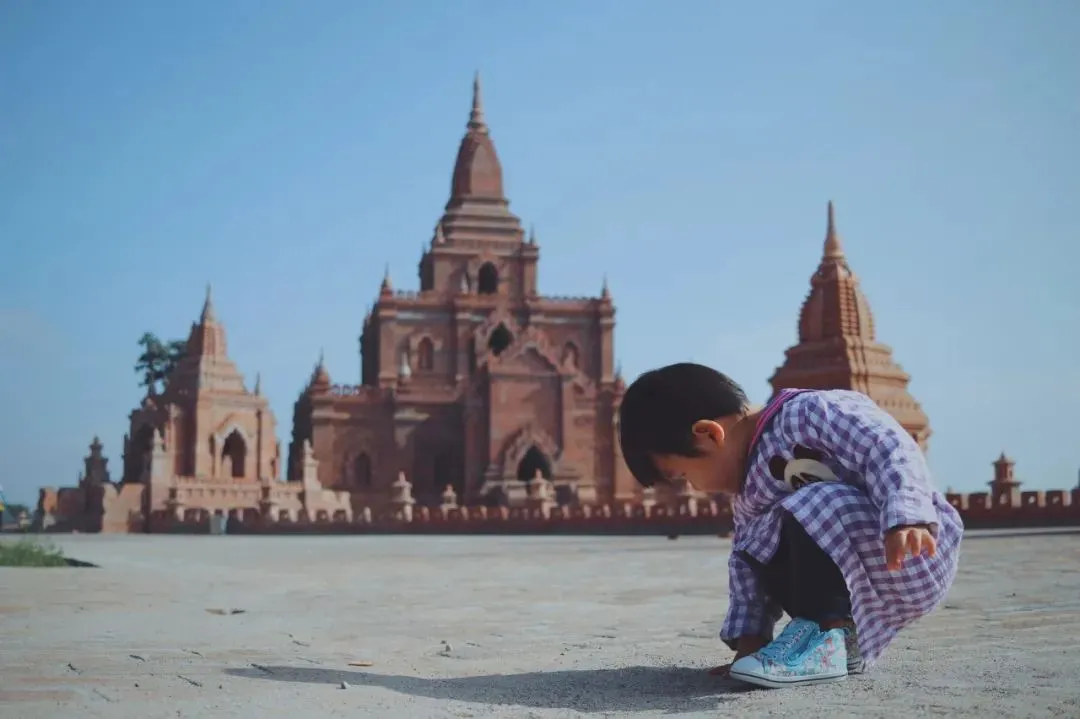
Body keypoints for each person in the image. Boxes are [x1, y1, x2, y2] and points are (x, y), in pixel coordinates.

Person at [617, 363, 963, 689]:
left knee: (810, 503)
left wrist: (907, 514)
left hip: (911, 552)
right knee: (753, 542)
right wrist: (749, 646)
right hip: (861, 579)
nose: (692, 487)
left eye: (684, 475)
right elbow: (747, 569)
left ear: (708, 434)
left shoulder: (809, 413)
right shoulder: (748, 493)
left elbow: (887, 446)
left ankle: (826, 637)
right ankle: (838, 642)